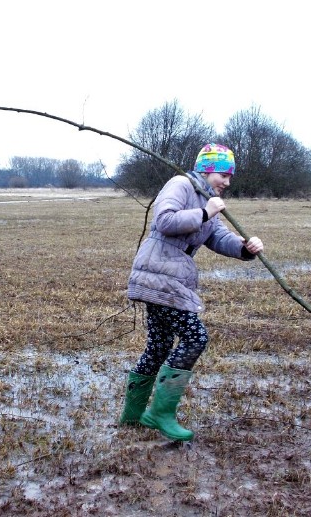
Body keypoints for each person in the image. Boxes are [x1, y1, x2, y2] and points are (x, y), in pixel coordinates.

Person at [119, 143, 264, 441]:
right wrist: (204, 212)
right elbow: (165, 220)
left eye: (230, 176)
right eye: (223, 174)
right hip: (160, 275)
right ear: (207, 170)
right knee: (195, 337)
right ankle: (160, 413)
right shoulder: (182, 184)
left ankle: (132, 416)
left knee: (159, 346)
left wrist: (244, 248)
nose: (227, 182)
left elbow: (217, 236)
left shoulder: (208, 198)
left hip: (167, 277)